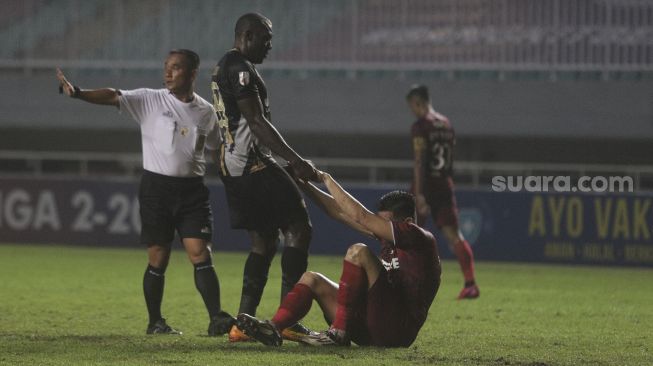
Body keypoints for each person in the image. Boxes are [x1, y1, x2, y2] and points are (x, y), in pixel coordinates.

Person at [56, 49, 235, 336]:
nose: (167, 72)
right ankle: (155, 322)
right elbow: (113, 95)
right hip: (156, 189)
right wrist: (77, 92)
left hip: (193, 191)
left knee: (201, 252)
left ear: (191, 74)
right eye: (166, 67)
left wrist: (234, 180)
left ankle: (217, 319)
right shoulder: (150, 100)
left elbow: (217, 152)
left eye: (175, 68)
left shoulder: (206, 112)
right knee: (158, 256)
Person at [235, 170, 441, 347]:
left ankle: (338, 334)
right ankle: (274, 328)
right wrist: (304, 184)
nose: (380, 227)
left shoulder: (420, 238)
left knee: (359, 252)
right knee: (311, 279)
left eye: (385, 223)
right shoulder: (392, 237)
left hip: (397, 330)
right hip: (370, 326)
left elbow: (361, 216)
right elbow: (339, 212)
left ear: (407, 222)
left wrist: (324, 177)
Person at [210, 13, 318, 342]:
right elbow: (255, 122)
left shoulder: (224, 66)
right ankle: (288, 319)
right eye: (266, 38)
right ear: (248, 34)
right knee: (299, 228)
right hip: (253, 163)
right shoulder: (240, 67)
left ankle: (242, 322)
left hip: (233, 166)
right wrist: (295, 160)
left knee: (265, 241)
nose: (270, 45)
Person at [406, 84, 479, 300]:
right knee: (454, 235)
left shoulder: (421, 126)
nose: (412, 110)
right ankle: (470, 284)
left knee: (409, 233)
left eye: (412, 106)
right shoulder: (446, 124)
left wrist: (419, 194)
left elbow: (420, 160)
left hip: (426, 185)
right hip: (444, 184)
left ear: (417, 102)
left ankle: (410, 282)